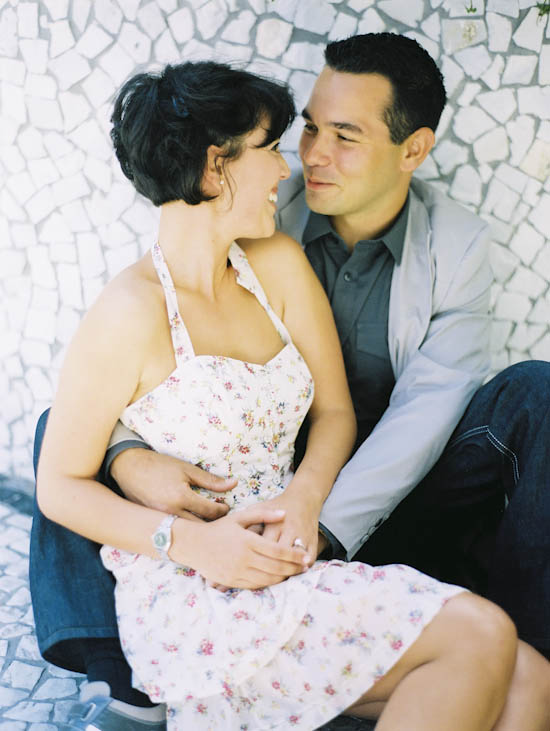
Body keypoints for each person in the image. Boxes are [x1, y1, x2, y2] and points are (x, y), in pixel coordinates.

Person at [32, 59, 549, 731]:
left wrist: (306, 504)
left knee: (531, 677)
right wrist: (187, 537)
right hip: (198, 585)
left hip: (300, 545)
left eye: (338, 135)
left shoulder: (273, 262)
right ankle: (125, 682)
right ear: (217, 167)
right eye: (275, 145)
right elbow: (58, 486)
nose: (292, 166)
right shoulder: (127, 313)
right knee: (481, 635)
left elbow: (338, 410)